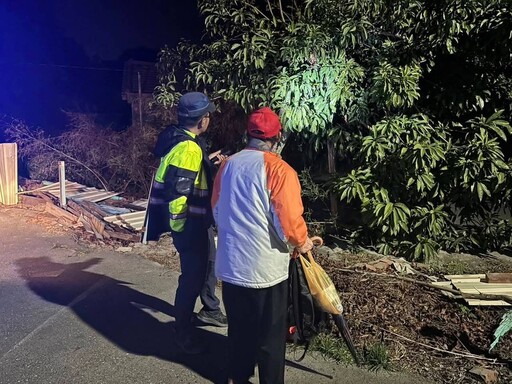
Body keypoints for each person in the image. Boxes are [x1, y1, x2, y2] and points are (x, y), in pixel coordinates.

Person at [211, 107, 314, 384]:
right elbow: (289, 224)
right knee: (270, 337)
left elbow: (218, 212)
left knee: (239, 329)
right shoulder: (280, 170)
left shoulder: (227, 165)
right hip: (266, 271)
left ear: (248, 134)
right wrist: (303, 243)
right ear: (277, 136)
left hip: (232, 266)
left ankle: (237, 377)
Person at [146, 91, 228, 355]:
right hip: (190, 226)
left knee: (207, 265)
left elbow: (186, 178)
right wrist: (181, 229)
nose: (209, 119)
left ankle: (209, 310)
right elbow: (179, 193)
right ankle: (182, 332)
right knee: (191, 279)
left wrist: (208, 164)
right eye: (208, 115)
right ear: (202, 120)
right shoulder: (189, 149)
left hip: (197, 223)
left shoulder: (180, 139)